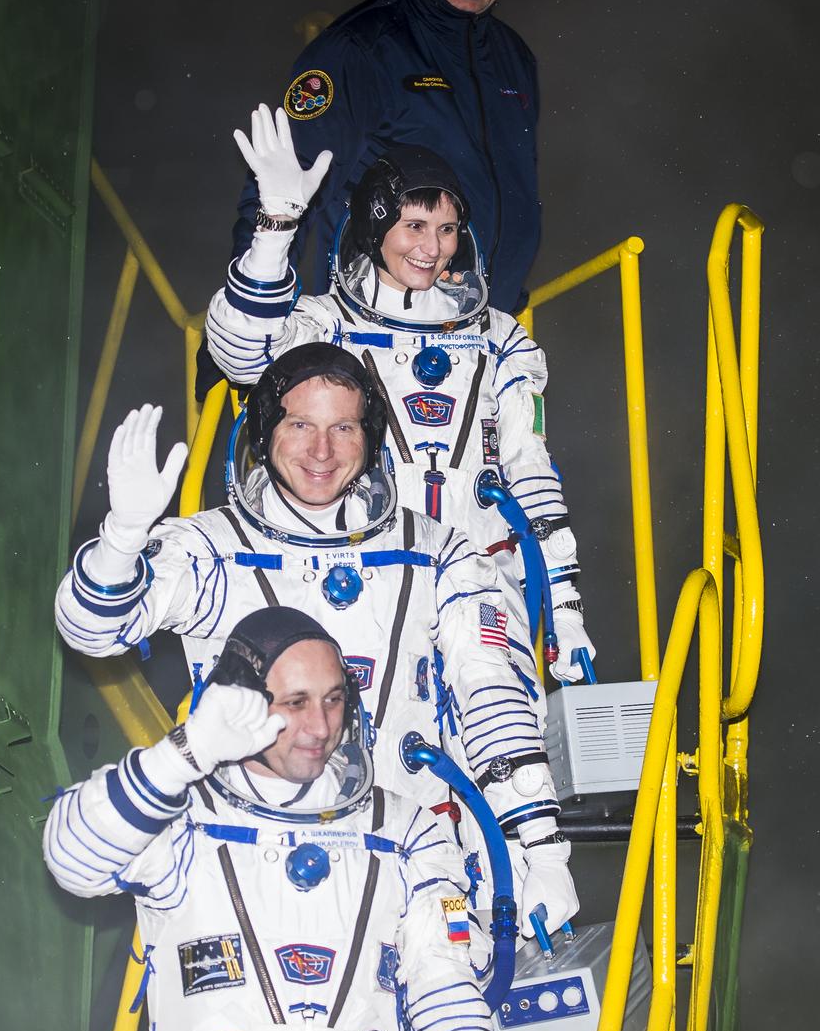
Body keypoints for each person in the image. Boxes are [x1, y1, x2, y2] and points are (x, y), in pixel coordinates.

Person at [55, 343, 577, 945]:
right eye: (300, 424)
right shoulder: (212, 549)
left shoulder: (441, 553)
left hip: (409, 868)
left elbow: (495, 700)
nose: (322, 452)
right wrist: (120, 542)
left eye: (344, 428)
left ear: (371, 437)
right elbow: (90, 632)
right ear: (264, 430)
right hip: (246, 869)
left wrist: (542, 851)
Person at [44, 607, 512, 1031]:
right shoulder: (185, 820)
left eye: (335, 699)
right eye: (296, 703)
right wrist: (186, 753)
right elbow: (72, 859)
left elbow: (446, 991)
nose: (320, 726)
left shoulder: (405, 831)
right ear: (242, 702)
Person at [209, 111, 596, 686]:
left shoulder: (499, 337)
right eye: (414, 226)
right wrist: (274, 229)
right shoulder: (322, 325)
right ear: (375, 225)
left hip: (484, 583)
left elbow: (531, 471)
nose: (432, 248)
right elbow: (240, 356)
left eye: (446, 229)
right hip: (358, 578)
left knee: (513, 761)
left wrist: (564, 607)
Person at [230, 0, 539, 312]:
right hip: (370, 331)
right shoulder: (358, 50)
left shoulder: (515, 61)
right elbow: (279, 196)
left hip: (484, 330)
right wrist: (254, 315)